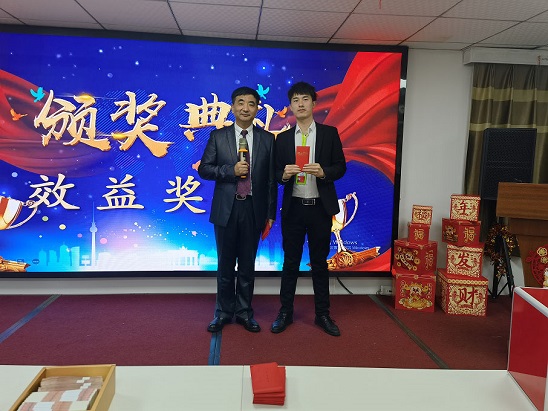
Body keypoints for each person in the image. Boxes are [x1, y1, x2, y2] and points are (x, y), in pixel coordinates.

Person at [198, 86, 277, 333]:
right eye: (240, 103)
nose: (245, 108)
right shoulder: (218, 136)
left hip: (253, 209)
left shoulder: (267, 139)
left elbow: (271, 180)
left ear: (257, 109)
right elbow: (204, 169)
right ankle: (223, 312)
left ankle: (244, 312)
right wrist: (229, 171)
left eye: (251, 104)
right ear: (232, 107)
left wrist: (271, 214)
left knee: (247, 265)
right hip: (226, 209)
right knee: (225, 265)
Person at [271, 81, 346, 337]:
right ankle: (285, 312)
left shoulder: (329, 134)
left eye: (305, 99)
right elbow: (274, 173)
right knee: (290, 263)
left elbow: (340, 167)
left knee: (320, 263)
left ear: (314, 103)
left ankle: (322, 314)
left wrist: (324, 172)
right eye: (295, 100)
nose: (300, 104)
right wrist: (284, 175)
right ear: (290, 106)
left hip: (319, 209)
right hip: (293, 209)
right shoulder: (282, 139)